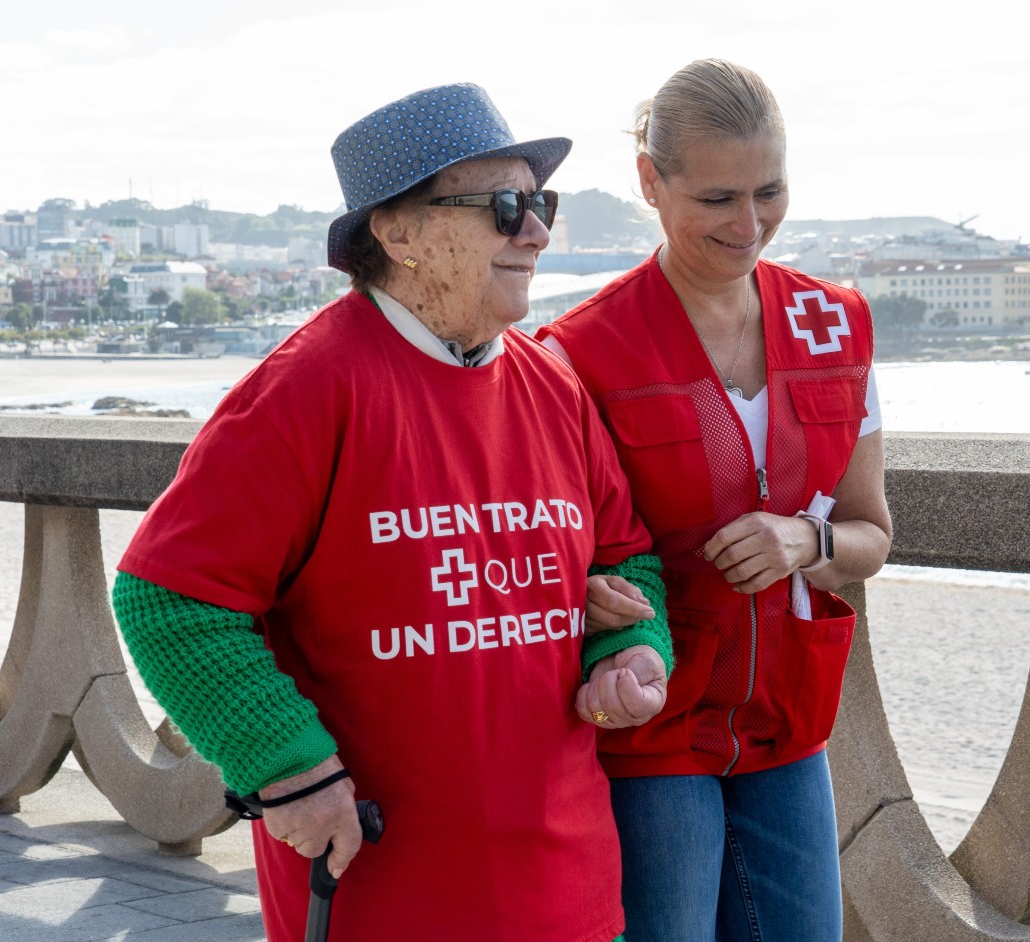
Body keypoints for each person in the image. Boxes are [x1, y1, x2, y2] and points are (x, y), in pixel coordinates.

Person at [111, 84, 671, 942]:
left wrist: (627, 649)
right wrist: (290, 769)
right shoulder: (307, 388)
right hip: (382, 889)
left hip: (568, 887)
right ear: (397, 233)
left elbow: (625, 555)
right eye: (505, 207)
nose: (537, 232)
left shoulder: (551, 383)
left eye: (540, 203)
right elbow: (169, 599)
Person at [537, 59, 893, 942]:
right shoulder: (578, 351)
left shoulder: (836, 324)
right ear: (651, 183)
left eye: (769, 192)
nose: (750, 225)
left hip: (789, 722)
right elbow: (560, 553)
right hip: (649, 724)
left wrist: (805, 541)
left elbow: (871, 535)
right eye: (718, 199)